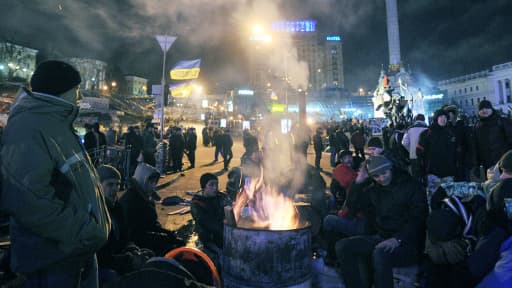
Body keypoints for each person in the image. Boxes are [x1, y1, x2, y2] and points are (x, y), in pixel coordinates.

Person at [0, 60, 111, 287]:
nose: (79, 96)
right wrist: (82, 231)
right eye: (76, 90)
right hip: (53, 256)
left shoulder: (55, 122)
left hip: (71, 252)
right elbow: (29, 201)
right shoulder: (30, 126)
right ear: (60, 90)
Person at [336, 155, 428, 288]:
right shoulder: (374, 189)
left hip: (408, 242)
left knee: (380, 253)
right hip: (382, 237)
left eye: (384, 173)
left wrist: (398, 239)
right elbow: (353, 206)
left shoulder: (410, 185)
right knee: (343, 246)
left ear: (390, 169)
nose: (382, 178)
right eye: (376, 176)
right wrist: (358, 181)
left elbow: (419, 218)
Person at [95, 165, 154, 283]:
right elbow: (99, 257)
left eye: (118, 184)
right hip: (101, 267)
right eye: (110, 185)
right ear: (98, 186)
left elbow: (125, 238)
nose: (115, 189)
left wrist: (133, 250)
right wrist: (129, 260)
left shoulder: (117, 207)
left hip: (119, 259)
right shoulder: (94, 211)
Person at [118, 163, 185, 256]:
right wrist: (163, 237)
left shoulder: (145, 196)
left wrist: (168, 234)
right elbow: (135, 233)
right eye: (150, 182)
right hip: (135, 246)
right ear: (142, 179)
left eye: (155, 182)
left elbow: (153, 224)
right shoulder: (131, 200)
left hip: (147, 239)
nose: (153, 186)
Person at [191, 173, 231, 251]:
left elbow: (232, 209)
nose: (215, 188)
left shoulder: (221, 197)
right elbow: (207, 223)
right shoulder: (197, 203)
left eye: (216, 184)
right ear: (203, 187)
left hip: (224, 235)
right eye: (211, 185)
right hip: (208, 240)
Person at [473, 100, 512, 171]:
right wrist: (476, 164)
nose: (484, 110)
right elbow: (476, 146)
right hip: (487, 165)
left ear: (491, 109)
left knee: (505, 181)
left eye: (487, 107)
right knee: (491, 182)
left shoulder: (502, 121)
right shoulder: (477, 126)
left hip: (504, 162)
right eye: (481, 109)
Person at [401, 114, 428, 179]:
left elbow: (404, 142)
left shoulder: (410, 129)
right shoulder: (428, 129)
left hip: (414, 156)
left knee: (416, 175)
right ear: (424, 120)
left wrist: (411, 150)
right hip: (426, 156)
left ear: (415, 120)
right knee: (426, 174)